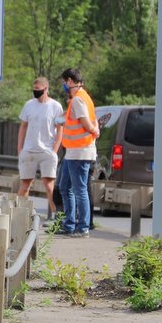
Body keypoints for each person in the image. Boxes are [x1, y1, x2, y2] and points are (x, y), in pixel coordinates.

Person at [57, 67, 99, 237]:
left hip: (80, 151)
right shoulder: (84, 97)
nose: (64, 85)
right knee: (65, 187)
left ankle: (82, 228)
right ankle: (69, 224)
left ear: (70, 81)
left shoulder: (78, 100)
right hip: (73, 152)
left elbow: (86, 123)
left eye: (65, 82)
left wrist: (94, 131)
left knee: (79, 189)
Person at [17, 76, 64, 219]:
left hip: (47, 151)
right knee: (25, 184)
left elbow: (60, 129)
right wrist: (20, 149)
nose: (35, 92)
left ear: (46, 89)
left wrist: (55, 149)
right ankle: (20, 214)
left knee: (49, 185)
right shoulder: (29, 105)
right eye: (34, 89)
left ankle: (56, 217)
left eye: (38, 90)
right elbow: (23, 126)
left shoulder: (56, 106)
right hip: (30, 150)